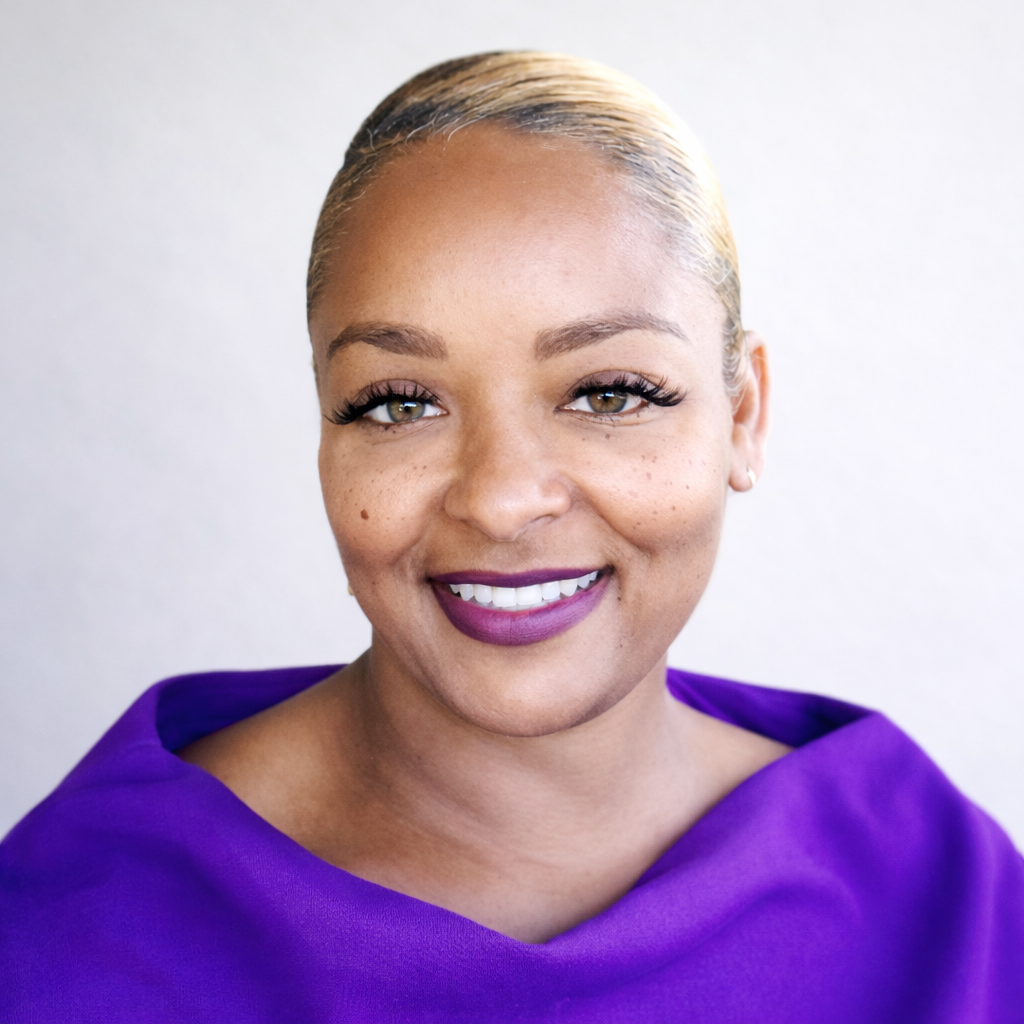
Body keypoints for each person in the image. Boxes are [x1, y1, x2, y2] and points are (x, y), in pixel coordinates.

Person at [1, 51, 1021, 1024]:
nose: (498, 498)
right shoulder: (69, 935)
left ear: (741, 415)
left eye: (609, 391)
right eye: (398, 404)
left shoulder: (944, 901)